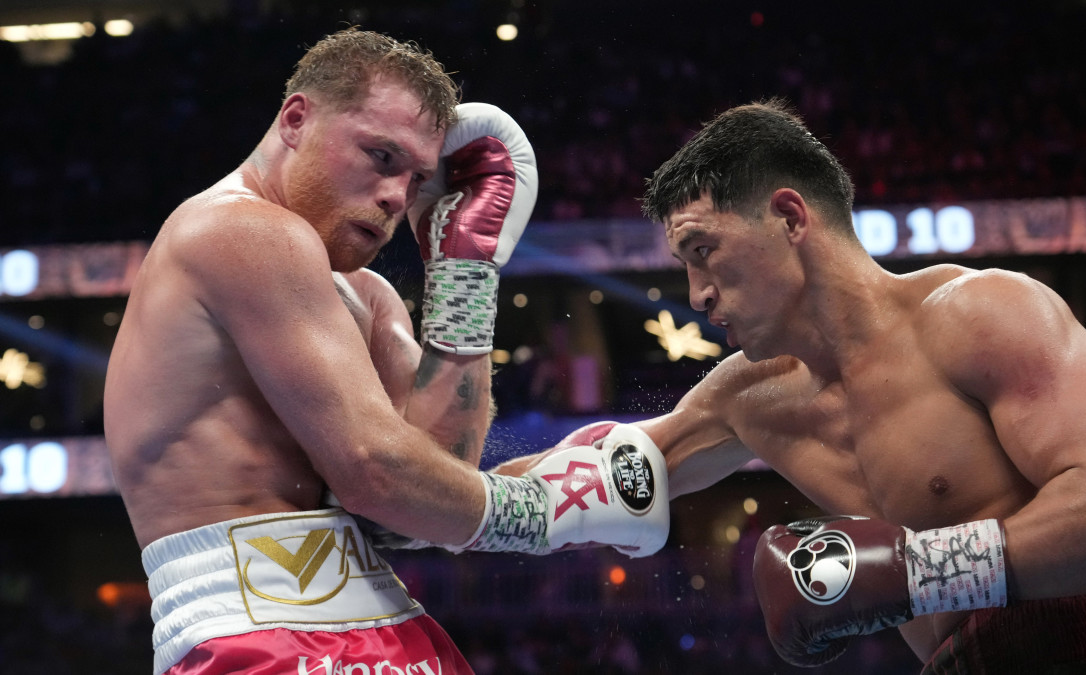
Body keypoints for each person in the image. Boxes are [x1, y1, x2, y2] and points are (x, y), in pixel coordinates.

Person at [534, 98, 1086, 673]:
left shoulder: (979, 315)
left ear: (789, 217)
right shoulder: (749, 396)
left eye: (703, 251)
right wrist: (441, 497)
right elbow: (576, 479)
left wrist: (912, 576)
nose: (698, 293)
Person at [103, 28, 669, 675]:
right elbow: (375, 471)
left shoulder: (368, 297)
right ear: (296, 120)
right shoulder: (239, 228)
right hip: (254, 636)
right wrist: (546, 512)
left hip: (390, 623)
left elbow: (428, 493)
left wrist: (465, 272)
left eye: (418, 177)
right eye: (381, 157)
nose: (398, 196)